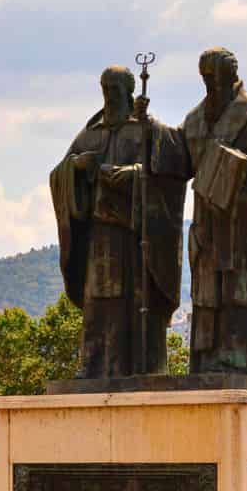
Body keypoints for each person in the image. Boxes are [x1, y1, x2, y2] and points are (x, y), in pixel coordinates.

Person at [49, 66, 188, 379]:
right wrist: (76, 165)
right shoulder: (89, 134)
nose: (109, 96)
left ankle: (139, 365)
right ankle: (94, 365)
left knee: (134, 301)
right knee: (98, 301)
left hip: (135, 237)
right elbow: (57, 175)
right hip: (99, 235)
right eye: (105, 89)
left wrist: (135, 176)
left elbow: (174, 171)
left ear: (128, 92)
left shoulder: (143, 129)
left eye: (115, 89)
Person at [182, 48, 247, 373]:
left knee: (238, 294)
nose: (208, 85)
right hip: (206, 225)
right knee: (208, 295)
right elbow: (176, 161)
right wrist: (146, 127)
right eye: (204, 79)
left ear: (228, 77)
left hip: (239, 228)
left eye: (213, 78)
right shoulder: (195, 119)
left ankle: (239, 360)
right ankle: (207, 360)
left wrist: (228, 187)